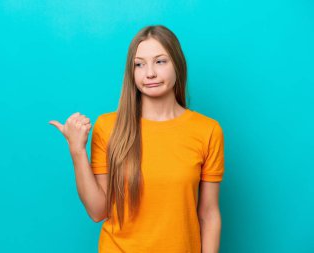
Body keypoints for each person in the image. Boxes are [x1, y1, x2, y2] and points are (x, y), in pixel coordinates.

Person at [49, 25, 225, 253]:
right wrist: (77, 151)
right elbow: (97, 211)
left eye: (160, 61)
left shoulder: (207, 130)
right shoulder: (108, 127)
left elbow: (209, 214)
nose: (149, 73)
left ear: (178, 65)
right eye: (139, 64)